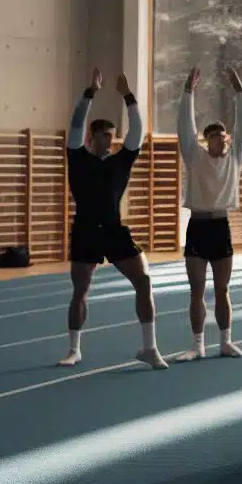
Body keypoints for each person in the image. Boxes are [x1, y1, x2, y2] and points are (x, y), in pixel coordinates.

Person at [59, 69, 167, 369]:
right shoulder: (77, 157)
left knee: (143, 280)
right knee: (81, 289)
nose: (111, 139)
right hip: (85, 230)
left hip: (114, 230)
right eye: (105, 135)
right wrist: (90, 91)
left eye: (113, 134)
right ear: (91, 137)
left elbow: (137, 131)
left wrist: (129, 97)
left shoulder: (122, 160)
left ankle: (149, 347)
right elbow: (77, 121)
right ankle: (74, 349)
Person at [176, 65, 242, 360]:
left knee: (222, 289)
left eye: (224, 136)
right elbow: (184, 126)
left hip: (221, 227)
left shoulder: (235, 158)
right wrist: (187, 91)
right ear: (206, 140)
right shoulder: (194, 157)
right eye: (215, 137)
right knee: (197, 290)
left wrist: (239, 90)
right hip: (197, 227)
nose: (222, 140)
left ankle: (225, 341)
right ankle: (197, 346)